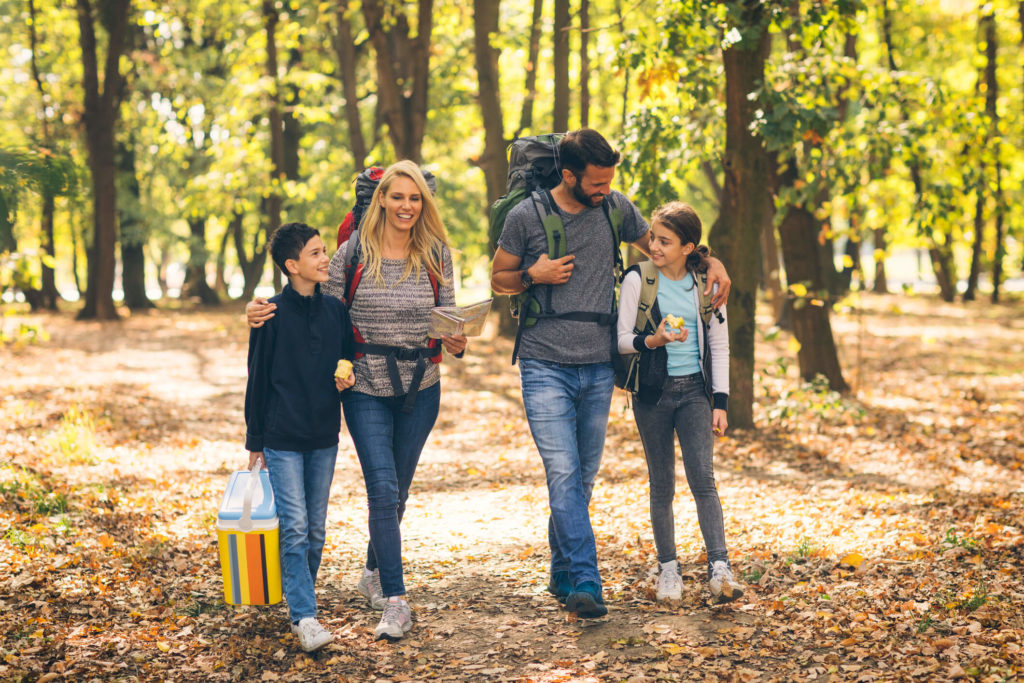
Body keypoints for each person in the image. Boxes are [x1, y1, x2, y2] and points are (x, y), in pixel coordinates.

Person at [490, 129, 731, 618]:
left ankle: (561, 570)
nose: (605, 190)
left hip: (599, 364)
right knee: (562, 472)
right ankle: (585, 578)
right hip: (543, 361)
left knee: (581, 478)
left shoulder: (614, 207)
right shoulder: (526, 216)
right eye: (596, 183)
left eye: (609, 182)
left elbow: (670, 249)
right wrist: (533, 276)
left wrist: (715, 261)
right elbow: (498, 279)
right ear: (568, 175)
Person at [247, 161, 467, 641]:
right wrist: (259, 310)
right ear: (382, 199)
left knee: (399, 492)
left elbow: (448, 319)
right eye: (397, 197)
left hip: (422, 384)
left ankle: (372, 570)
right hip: (363, 384)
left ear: (422, 204)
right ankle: (395, 600)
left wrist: (458, 340)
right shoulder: (353, 252)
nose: (406, 206)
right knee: (383, 490)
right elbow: (308, 302)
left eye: (415, 198)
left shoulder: (436, 254)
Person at [616, 202, 744, 604]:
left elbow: (720, 345)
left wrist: (719, 403)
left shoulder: (703, 283)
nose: (653, 245)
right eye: (652, 237)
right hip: (653, 394)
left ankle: (719, 568)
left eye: (664, 241)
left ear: (688, 247)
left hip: (694, 393)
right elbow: (620, 341)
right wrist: (654, 339)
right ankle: (668, 569)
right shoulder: (638, 278)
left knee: (703, 480)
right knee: (662, 485)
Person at [244, 221, 356, 653]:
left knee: (315, 530)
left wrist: (346, 376)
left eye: (324, 250)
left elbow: (346, 355)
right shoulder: (268, 314)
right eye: (315, 253)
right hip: (282, 436)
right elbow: (257, 380)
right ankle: (305, 616)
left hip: (324, 434)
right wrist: (255, 440)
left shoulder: (335, 311)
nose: (325, 258)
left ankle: (297, 599)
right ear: (292, 265)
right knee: (293, 528)